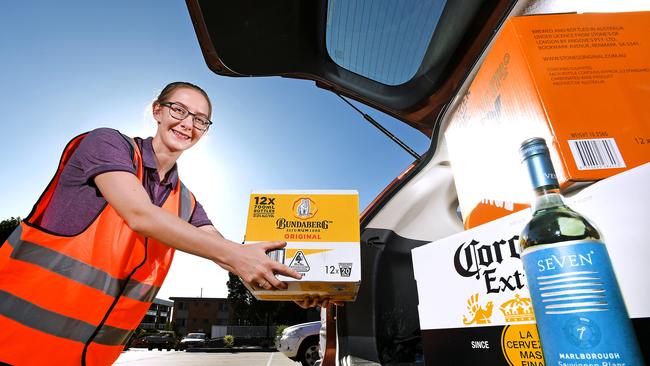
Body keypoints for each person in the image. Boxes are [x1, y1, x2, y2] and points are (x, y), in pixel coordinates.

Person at [0, 81, 302, 366]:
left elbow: (224, 251)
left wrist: (289, 286)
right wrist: (237, 257)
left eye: (200, 119)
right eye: (179, 110)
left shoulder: (186, 201)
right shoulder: (107, 143)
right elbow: (139, 214)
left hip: (84, 357)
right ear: (157, 111)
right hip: (11, 340)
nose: (187, 123)